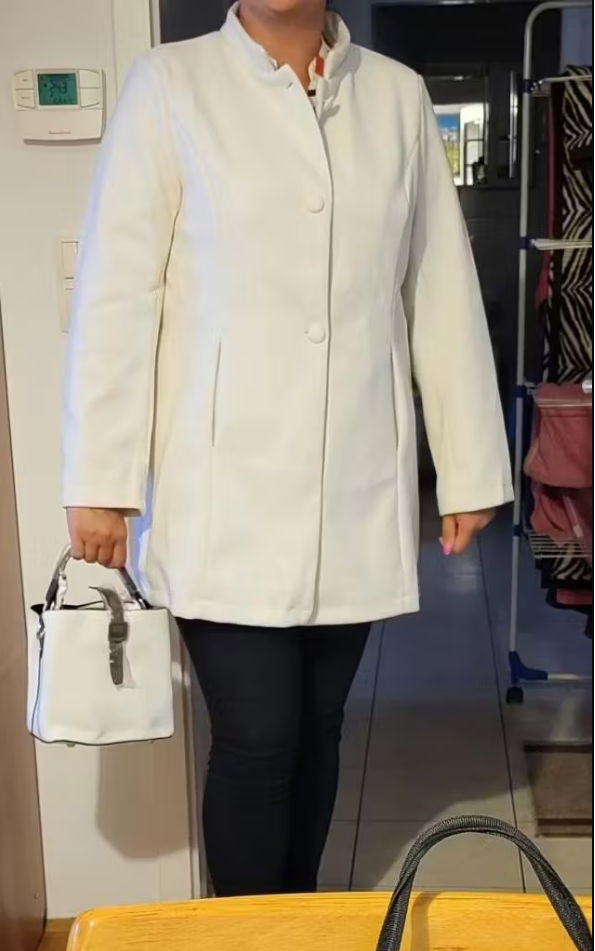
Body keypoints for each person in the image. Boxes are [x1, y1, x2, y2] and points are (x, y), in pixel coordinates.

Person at [64, 0, 513, 896]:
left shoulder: (394, 96)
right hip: (221, 486)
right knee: (258, 736)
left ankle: (297, 919)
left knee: (317, 730)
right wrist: (100, 481)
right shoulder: (171, 85)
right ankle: (247, 929)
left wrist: (467, 466)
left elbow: (436, 284)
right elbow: (117, 294)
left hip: (352, 479)